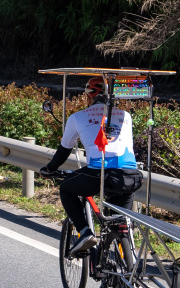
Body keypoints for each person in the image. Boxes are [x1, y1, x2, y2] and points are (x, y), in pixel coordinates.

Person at [40, 76, 142, 256]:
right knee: (121, 222)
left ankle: (85, 232)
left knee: (66, 188)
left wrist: (49, 169)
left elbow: (64, 151)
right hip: (130, 175)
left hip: (100, 174)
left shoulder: (77, 118)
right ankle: (127, 258)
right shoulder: (126, 116)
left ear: (88, 96)